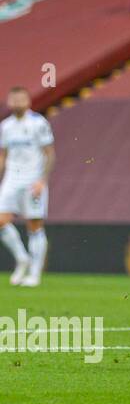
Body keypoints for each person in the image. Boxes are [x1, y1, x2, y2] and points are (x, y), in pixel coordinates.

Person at [0, 87, 54, 288]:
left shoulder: (38, 123)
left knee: (34, 225)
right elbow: (3, 155)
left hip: (33, 180)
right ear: (9, 101)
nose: (17, 103)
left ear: (28, 101)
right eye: (13, 99)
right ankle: (22, 258)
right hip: (12, 179)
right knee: (1, 220)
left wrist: (43, 180)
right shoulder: (6, 126)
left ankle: (34, 274)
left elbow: (49, 153)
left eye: (21, 99)